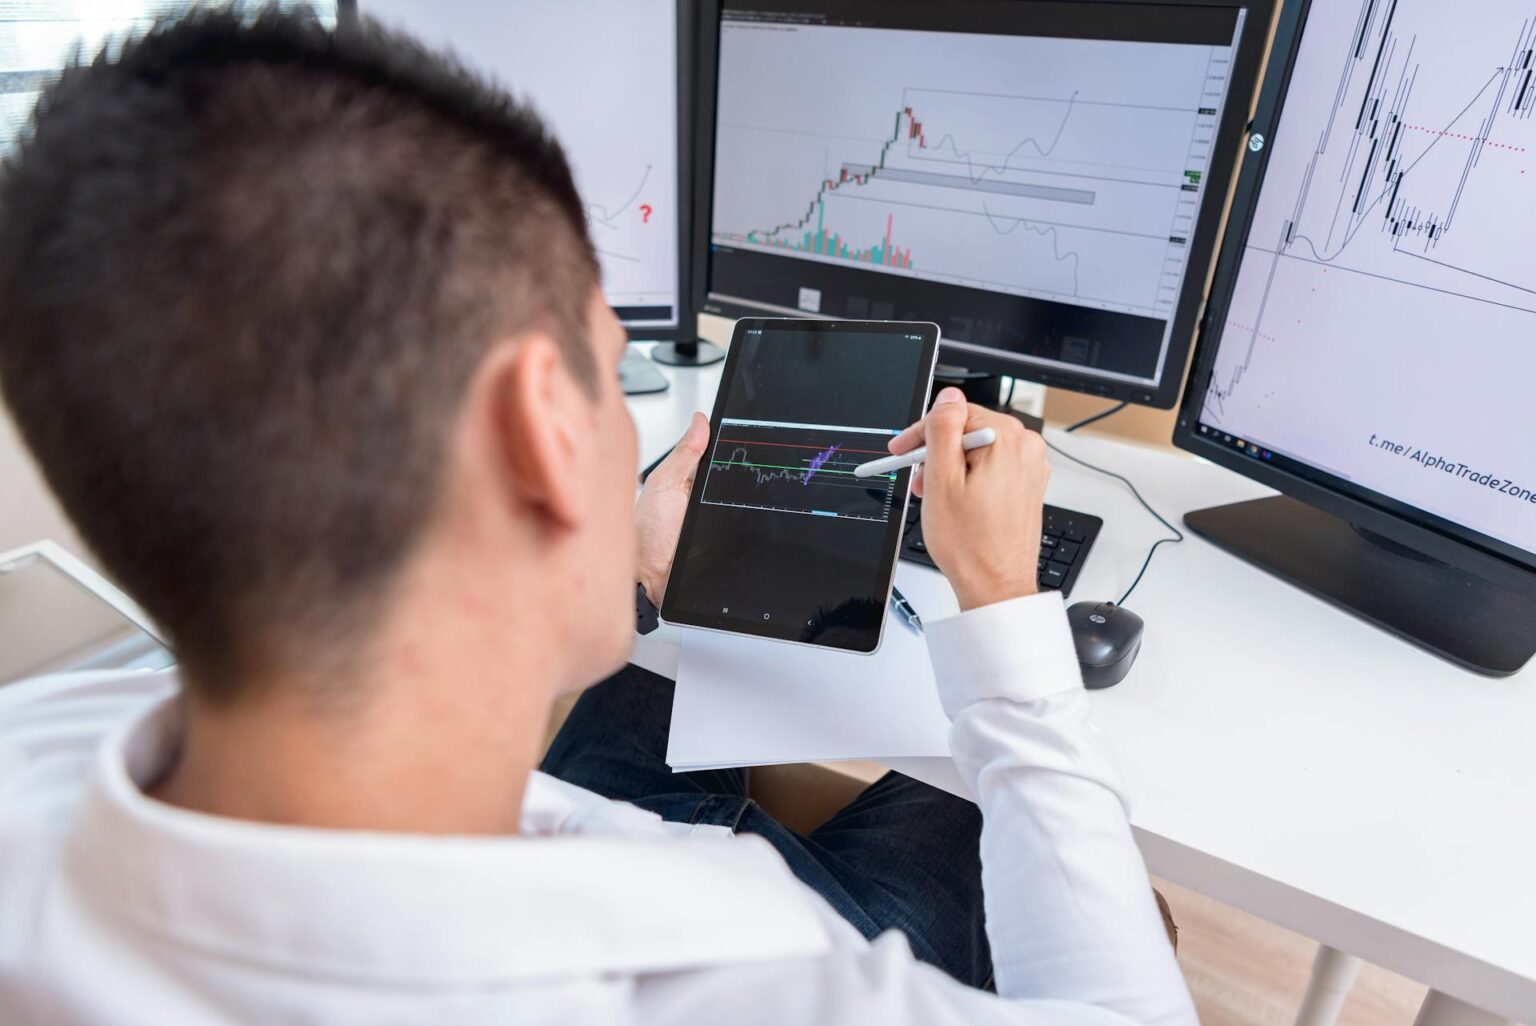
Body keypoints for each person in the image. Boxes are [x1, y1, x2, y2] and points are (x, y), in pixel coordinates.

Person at [0, 9, 1194, 1025]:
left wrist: (617, 571)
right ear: (538, 429)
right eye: (610, 365)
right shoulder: (750, 972)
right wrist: (1003, 609)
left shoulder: (34, 770)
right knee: (1127, 902)